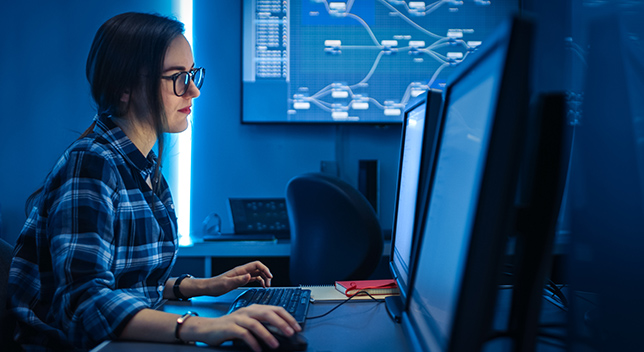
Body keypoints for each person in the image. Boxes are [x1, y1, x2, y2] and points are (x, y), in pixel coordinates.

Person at [7, 12, 300, 352]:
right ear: (123, 88)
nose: (193, 91)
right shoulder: (91, 164)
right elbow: (84, 305)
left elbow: (127, 286)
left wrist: (203, 286)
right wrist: (203, 327)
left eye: (192, 75)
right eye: (177, 77)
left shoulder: (145, 169)